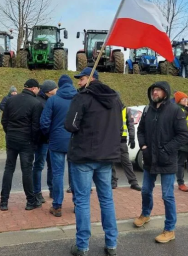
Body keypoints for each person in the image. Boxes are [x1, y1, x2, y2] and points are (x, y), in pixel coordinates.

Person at [64, 68, 122, 256]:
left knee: (82, 201)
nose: (79, 83)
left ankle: (82, 246)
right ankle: (111, 243)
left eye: (81, 79)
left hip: (84, 156)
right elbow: (119, 127)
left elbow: (70, 125)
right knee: (106, 199)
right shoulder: (115, 98)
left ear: (91, 79)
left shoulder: (82, 98)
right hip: (106, 156)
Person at [134, 81, 188, 244]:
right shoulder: (148, 110)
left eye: (158, 90)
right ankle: (145, 214)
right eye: (153, 90)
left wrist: (166, 149)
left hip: (167, 160)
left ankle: (169, 229)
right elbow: (140, 130)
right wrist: (143, 146)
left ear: (165, 92)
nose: (155, 93)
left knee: (167, 195)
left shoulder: (175, 111)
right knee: (145, 190)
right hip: (150, 158)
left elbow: (183, 135)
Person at [0, 79, 43, 211]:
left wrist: (10, 132)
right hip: (26, 140)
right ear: (34, 88)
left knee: (9, 169)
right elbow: (36, 127)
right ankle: (30, 201)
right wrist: (34, 141)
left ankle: (3, 201)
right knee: (27, 171)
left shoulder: (11, 100)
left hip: (11, 138)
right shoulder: (36, 103)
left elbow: (4, 121)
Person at [40, 75, 77, 217]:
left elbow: (44, 122)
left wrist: (50, 135)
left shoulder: (53, 100)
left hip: (56, 141)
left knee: (57, 174)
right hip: (74, 141)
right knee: (75, 173)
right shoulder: (78, 98)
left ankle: (57, 206)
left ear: (59, 86)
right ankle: (77, 204)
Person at [34, 80, 57, 204]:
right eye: (55, 89)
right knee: (39, 166)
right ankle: (37, 192)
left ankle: (52, 190)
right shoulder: (39, 102)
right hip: (42, 140)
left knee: (52, 166)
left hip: (51, 139)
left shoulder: (51, 100)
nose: (57, 90)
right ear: (49, 90)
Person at [111, 97, 142, 191]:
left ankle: (133, 182)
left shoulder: (126, 110)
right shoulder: (110, 109)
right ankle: (113, 181)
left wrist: (132, 138)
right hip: (112, 140)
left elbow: (130, 125)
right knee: (111, 162)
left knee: (126, 162)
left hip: (121, 140)